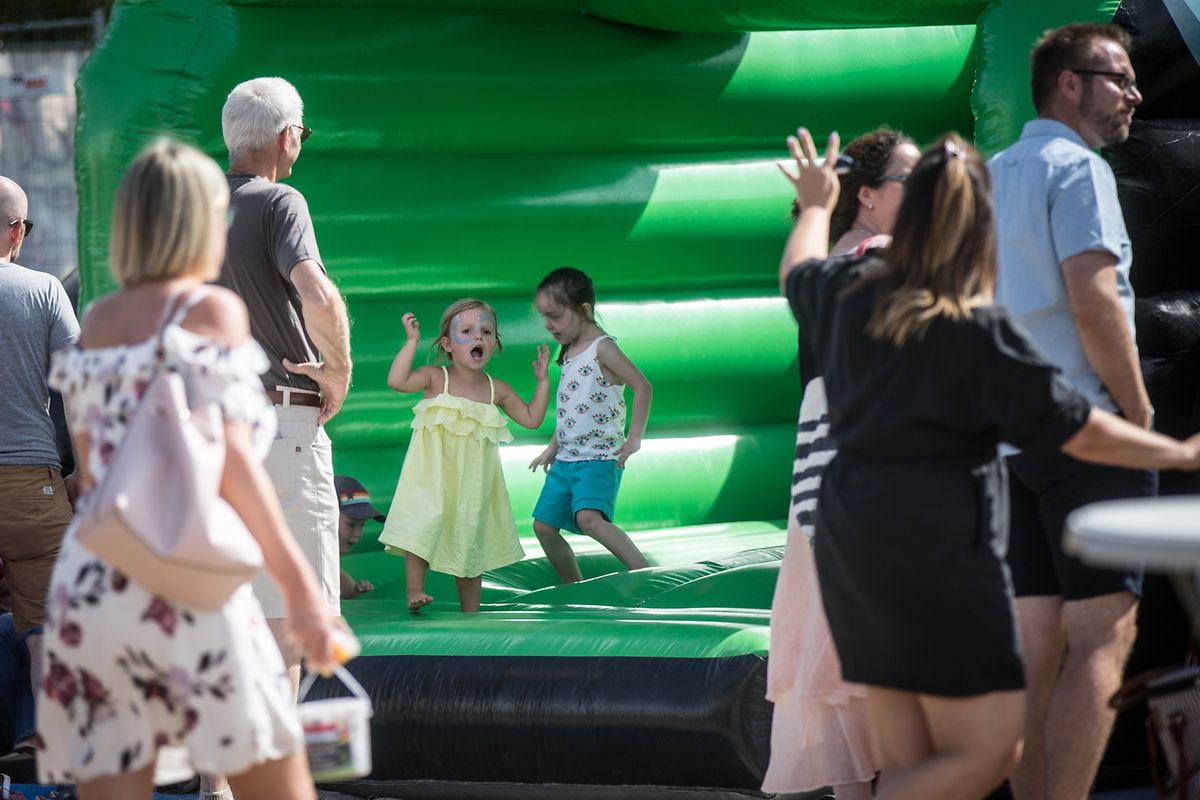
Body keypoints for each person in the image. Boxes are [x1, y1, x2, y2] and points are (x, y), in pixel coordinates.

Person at [777, 126, 1200, 800]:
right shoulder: (962, 320)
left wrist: (815, 206)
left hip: (846, 529)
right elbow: (1074, 426)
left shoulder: (848, 280)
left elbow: (796, 271)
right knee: (981, 748)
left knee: (898, 743)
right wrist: (1172, 448)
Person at [36, 139, 344, 800]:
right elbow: (238, 469)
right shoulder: (210, 312)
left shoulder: (97, 320)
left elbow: (94, 474)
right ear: (201, 220)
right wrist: (300, 592)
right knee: (280, 787)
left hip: (98, 583)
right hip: (192, 589)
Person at [988, 23, 1150, 800]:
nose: (1135, 95)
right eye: (1119, 79)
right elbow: (1094, 303)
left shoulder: (988, 176)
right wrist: (1139, 418)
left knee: (1033, 654)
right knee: (1102, 640)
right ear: (1069, 84)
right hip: (1085, 435)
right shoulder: (1078, 169)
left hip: (1010, 447)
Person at [762, 129, 918, 800]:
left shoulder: (850, 262)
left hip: (827, 504)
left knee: (845, 702)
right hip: (870, 504)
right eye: (916, 181)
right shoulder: (879, 261)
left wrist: (812, 208)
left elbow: (799, 275)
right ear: (870, 197)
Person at [216, 76, 351, 692]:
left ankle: (217, 789)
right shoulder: (279, 203)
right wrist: (337, 371)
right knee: (290, 625)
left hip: (208, 433)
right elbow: (317, 295)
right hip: (278, 425)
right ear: (286, 136)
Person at [379, 300, 550, 612]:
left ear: (494, 343)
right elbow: (397, 381)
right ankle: (414, 590)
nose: (478, 338)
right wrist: (412, 341)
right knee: (422, 523)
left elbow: (531, 418)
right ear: (448, 344)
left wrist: (543, 383)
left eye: (486, 332)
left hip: (473, 482)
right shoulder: (434, 378)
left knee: (470, 538)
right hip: (431, 476)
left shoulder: (495, 389)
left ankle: (471, 608)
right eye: (468, 331)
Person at [0, 174, 80, 758]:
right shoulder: (46, 290)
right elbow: (75, 392)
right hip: (33, 483)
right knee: (43, 623)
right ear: (16, 230)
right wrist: (83, 474)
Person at [529, 267, 653, 583]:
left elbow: (643, 386)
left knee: (588, 519)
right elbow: (570, 408)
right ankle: (575, 586)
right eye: (544, 316)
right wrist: (552, 448)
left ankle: (647, 574)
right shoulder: (569, 350)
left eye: (554, 316)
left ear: (583, 310)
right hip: (566, 459)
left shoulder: (603, 348)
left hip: (597, 459)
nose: (548, 324)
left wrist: (634, 437)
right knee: (543, 526)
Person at [334, 475, 385, 600]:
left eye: (362, 526)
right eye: (351, 524)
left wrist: (357, 591)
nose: (357, 533)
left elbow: (342, 584)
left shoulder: (330, 562)